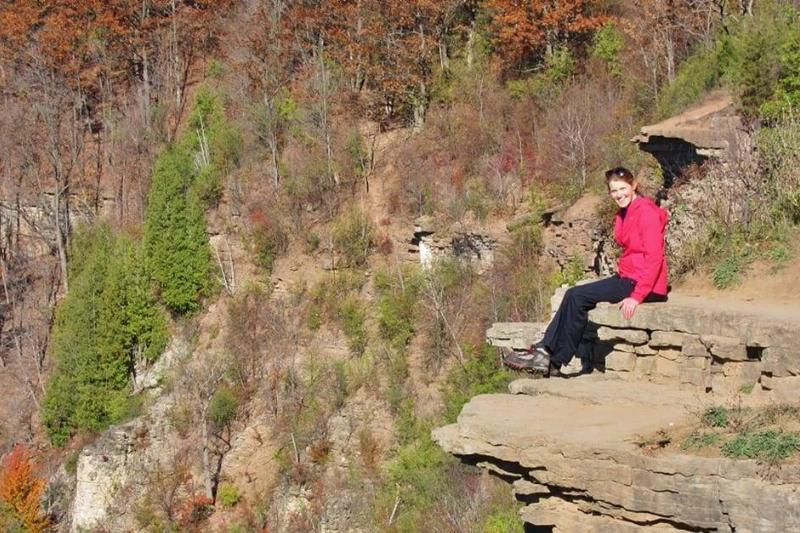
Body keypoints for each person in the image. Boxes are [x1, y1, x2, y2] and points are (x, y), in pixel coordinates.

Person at [503, 167, 669, 376]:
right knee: (573, 294)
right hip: (629, 277)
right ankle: (547, 354)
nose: (619, 195)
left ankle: (549, 356)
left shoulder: (646, 213)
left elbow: (655, 259)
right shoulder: (624, 213)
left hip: (643, 284)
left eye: (623, 189)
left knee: (577, 296)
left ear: (634, 185)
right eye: (614, 191)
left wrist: (636, 297)